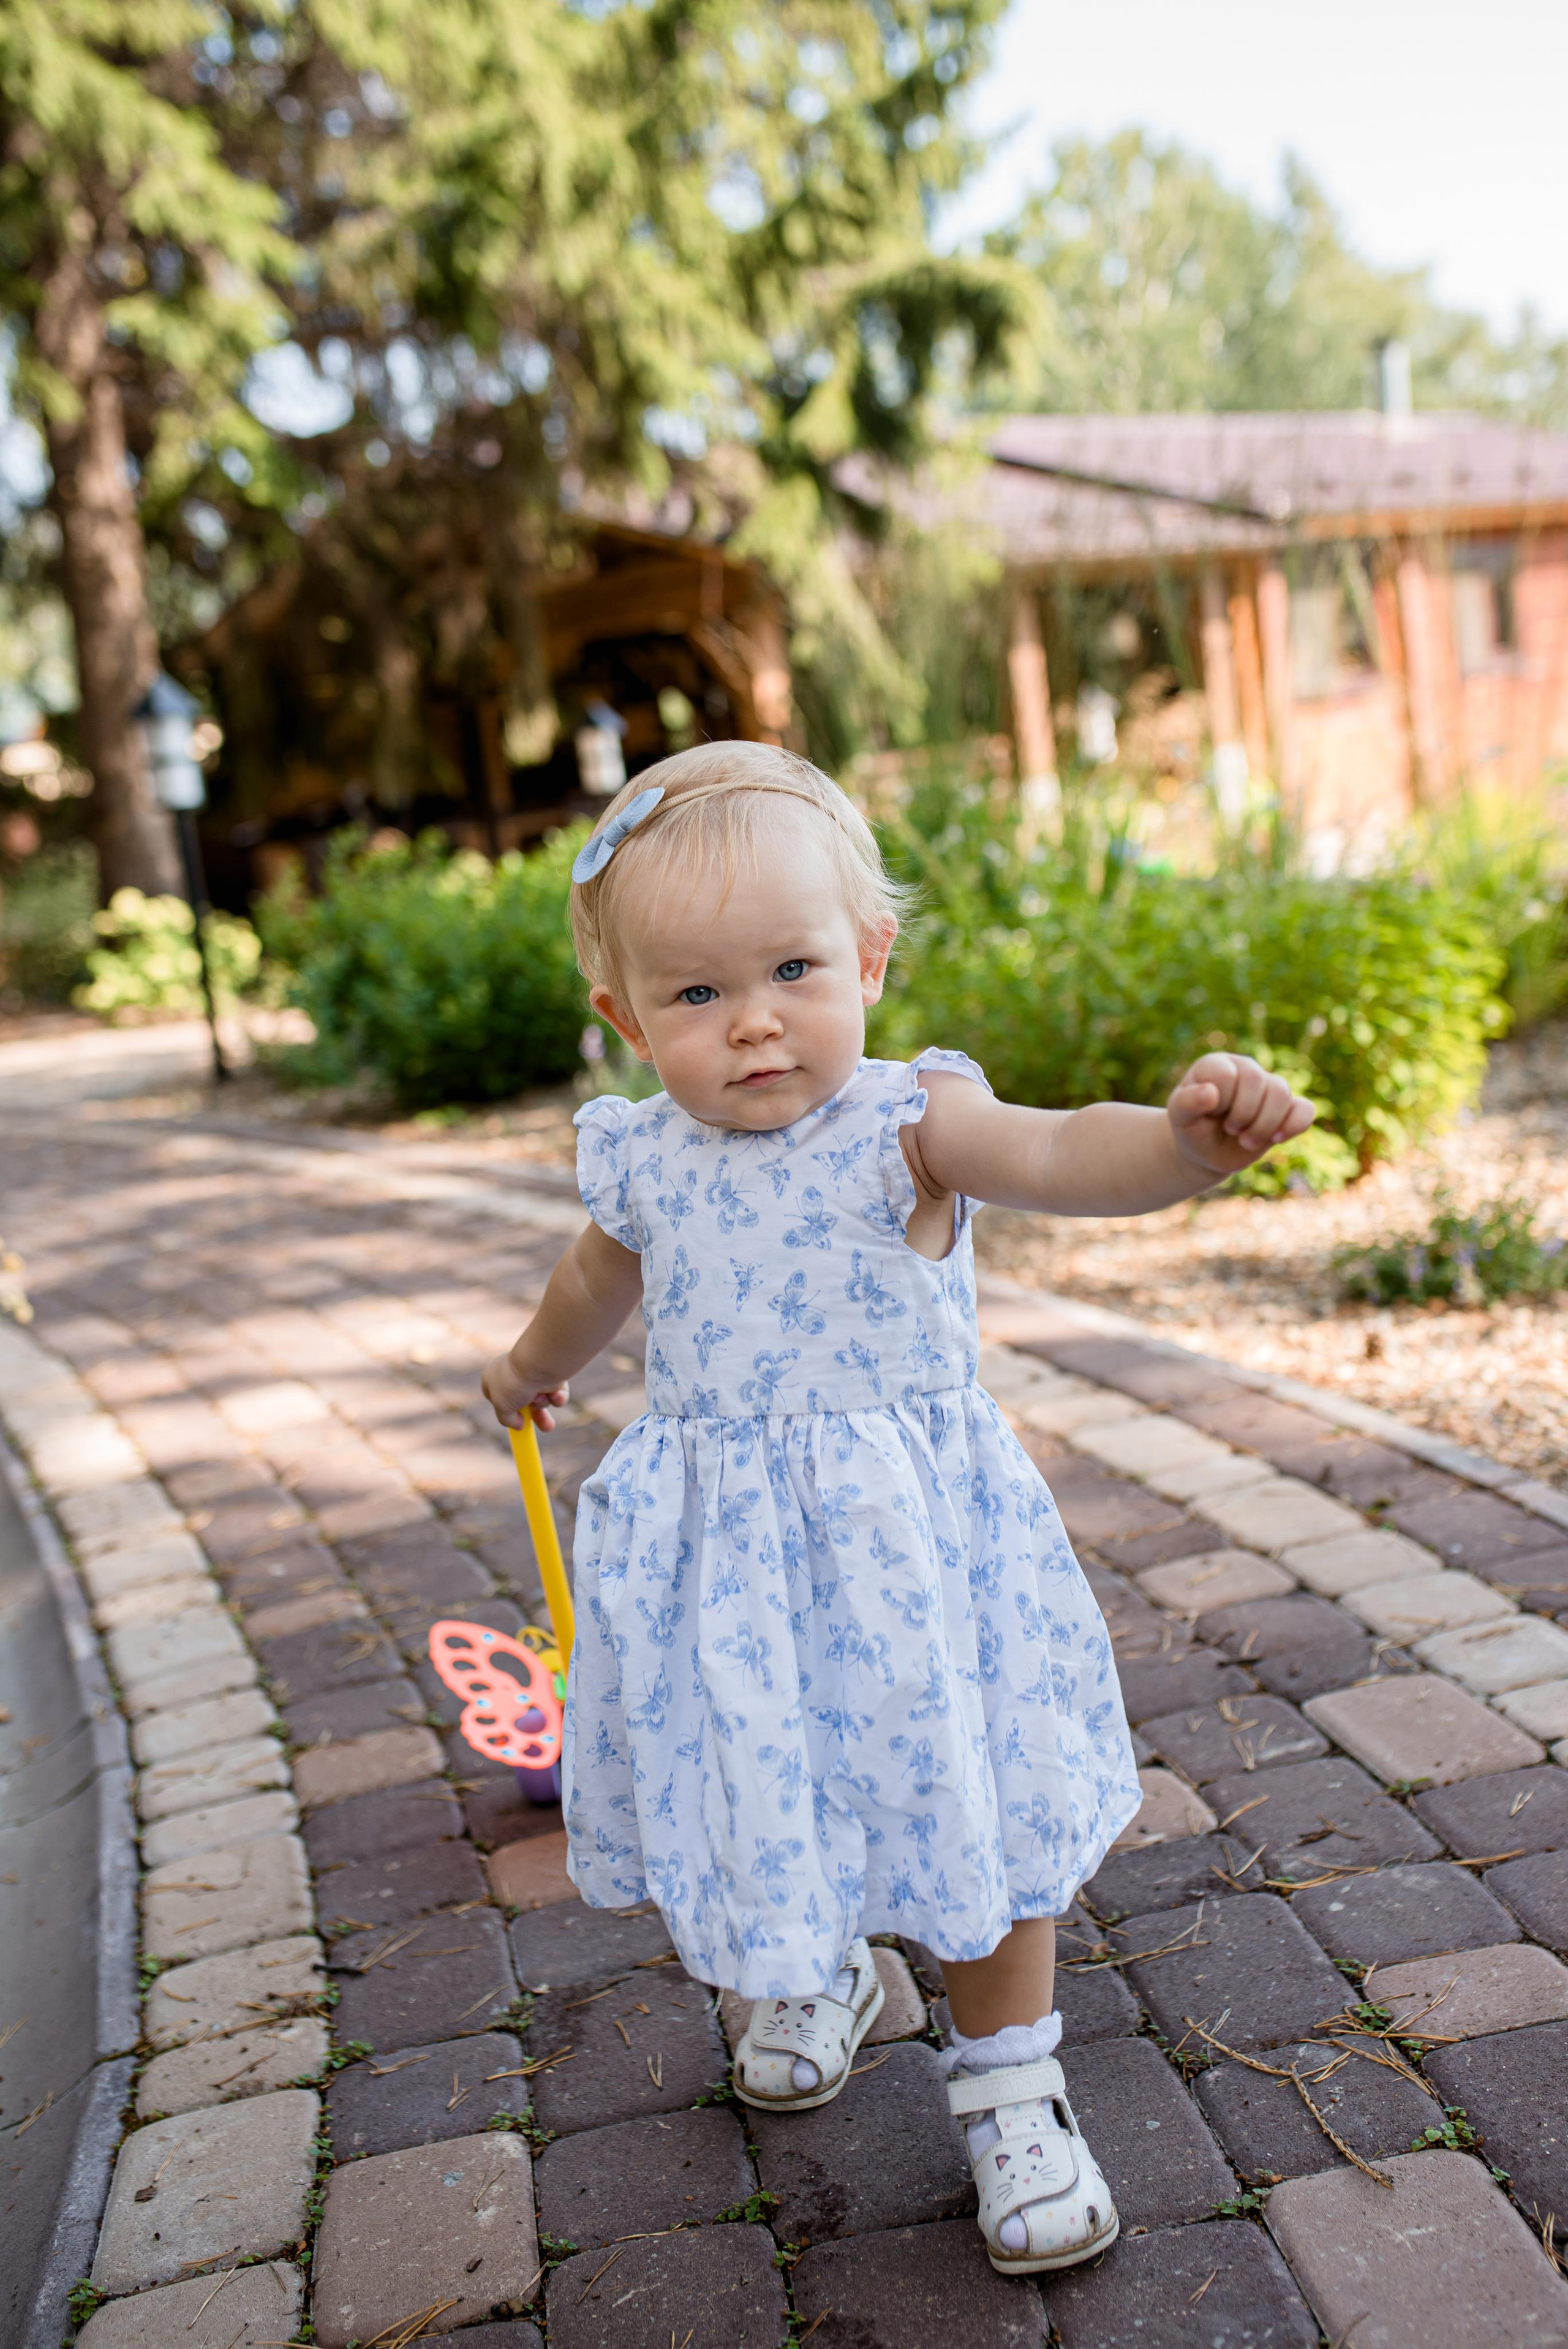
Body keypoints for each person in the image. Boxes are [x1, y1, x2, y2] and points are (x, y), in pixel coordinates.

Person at [482, 743, 1313, 2274]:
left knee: (954, 1791)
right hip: (731, 1570)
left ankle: (1009, 2088)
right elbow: (600, 1276)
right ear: (623, 1019)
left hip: (908, 1560)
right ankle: (814, 1971)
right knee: (768, 1775)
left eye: (793, 968)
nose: (751, 1023)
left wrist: (1184, 1148)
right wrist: (532, 1367)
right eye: (692, 995)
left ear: (866, 958)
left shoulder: (906, 1124)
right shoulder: (644, 1155)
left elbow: (1061, 1150)